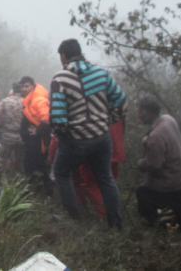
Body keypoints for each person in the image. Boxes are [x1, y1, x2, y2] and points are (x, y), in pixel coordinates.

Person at [50, 39, 126, 230]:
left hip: (76, 140)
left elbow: (58, 120)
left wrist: (66, 137)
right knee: (106, 178)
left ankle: (74, 220)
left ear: (64, 56)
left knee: (61, 172)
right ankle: (116, 224)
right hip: (102, 137)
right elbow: (121, 101)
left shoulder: (60, 79)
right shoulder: (101, 73)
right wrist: (109, 119)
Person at [136, 97, 181, 231]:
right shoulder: (168, 119)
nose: (139, 115)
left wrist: (141, 164)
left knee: (143, 193)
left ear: (149, 113)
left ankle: (153, 226)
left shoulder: (155, 136)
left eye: (140, 112)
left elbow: (155, 166)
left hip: (173, 181)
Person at [19, 76, 51, 189]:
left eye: (26, 86)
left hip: (39, 142)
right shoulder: (28, 100)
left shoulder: (38, 99)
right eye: (22, 86)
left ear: (33, 86)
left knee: (40, 166)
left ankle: (44, 191)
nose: (23, 89)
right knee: (30, 164)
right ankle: (34, 189)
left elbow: (46, 119)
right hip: (31, 141)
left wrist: (38, 130)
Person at [0, 83, 24, 167]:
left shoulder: (6, 100)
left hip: (7, 134)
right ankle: (18, 177)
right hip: (21, 135)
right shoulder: (26, 101)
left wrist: (0, 124)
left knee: (2, 160)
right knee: (21, 161)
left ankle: (1, 176)